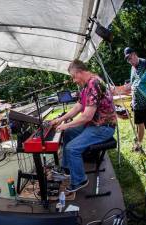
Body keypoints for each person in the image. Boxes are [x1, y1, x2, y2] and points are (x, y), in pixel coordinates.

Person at [50, 59, 117, 193]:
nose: (74, 80)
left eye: (74, 76)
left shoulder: (94, 83)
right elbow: (78, 106)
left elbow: (86, 116)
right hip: (95, 124)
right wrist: (61, 119)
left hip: (104, 127)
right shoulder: (86, 85)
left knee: (71, 148)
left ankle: (80, 180)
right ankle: (68, 169)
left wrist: (67, 125)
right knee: (68, 133)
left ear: (80, 72)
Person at [118, 48, 146, 151]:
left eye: (130, 58)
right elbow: (133, 84)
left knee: (141, 124)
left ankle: (138, 144)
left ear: (134, 54)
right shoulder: (133, 68)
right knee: (139, 124)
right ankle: (138, 145)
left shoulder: (144, 64)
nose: (129, 61)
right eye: (127, 60)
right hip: (137, 103)